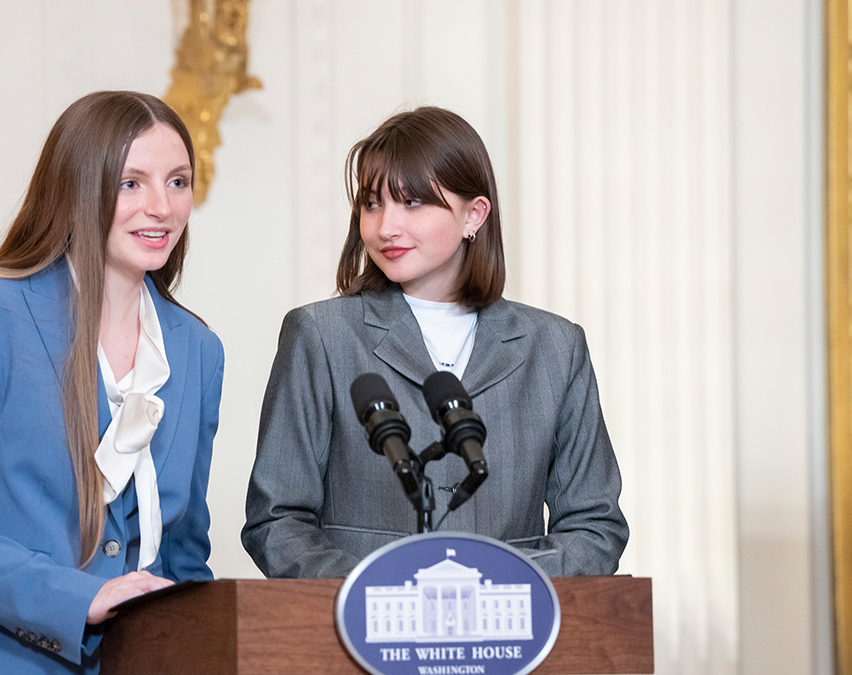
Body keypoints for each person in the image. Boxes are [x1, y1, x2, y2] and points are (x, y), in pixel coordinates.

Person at [0, 91, 224, 675]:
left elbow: (183, 549)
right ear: (76, 187)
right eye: (130, 183)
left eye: (178, 182)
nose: (162, 207)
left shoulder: (197, 348)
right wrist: (77, 598)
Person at [241, 106, 627, 579]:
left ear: (474, 214)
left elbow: (594, 525)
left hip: (510, 640)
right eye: (372, 203)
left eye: (412, 203)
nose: (386, 227)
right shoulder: (319, 336)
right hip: (356, 636)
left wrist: (497, 587)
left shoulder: (556, 347)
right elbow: (277, 520)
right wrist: (382, 599)